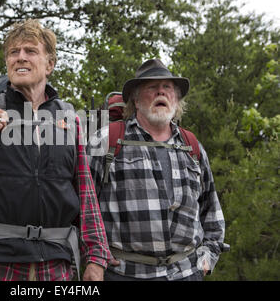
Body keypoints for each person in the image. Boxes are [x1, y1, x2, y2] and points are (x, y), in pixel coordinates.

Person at [0, 19, 111, 281]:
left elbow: (86, 194)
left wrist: (96, 257)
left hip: (56, 267)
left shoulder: (70, 119)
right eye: (13, 52)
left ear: (50, 65)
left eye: (30, 51)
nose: (20, 57)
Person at [88, 59, 229, 281]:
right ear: (135, 97)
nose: (161, 92)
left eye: (168, 87)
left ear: (176, 98)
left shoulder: (191, 145)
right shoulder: (107, 140)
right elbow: (83, 207)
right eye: (152, 87)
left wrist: (207, 257)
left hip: (186, 273)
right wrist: (92, 257)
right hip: (124, 274)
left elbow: (211, 210)